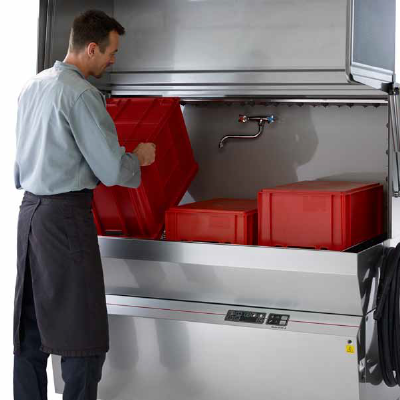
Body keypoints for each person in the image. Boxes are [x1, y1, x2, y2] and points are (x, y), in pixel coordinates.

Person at [13, 9, 156, 400]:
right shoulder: (81, 94)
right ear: (91, 48)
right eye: (111, 52)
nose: (113, 60)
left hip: (31, 215)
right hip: (65, 218)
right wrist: (139, 158)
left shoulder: (34, 85)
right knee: (84, 335)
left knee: (31, 331)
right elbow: (112, 169)